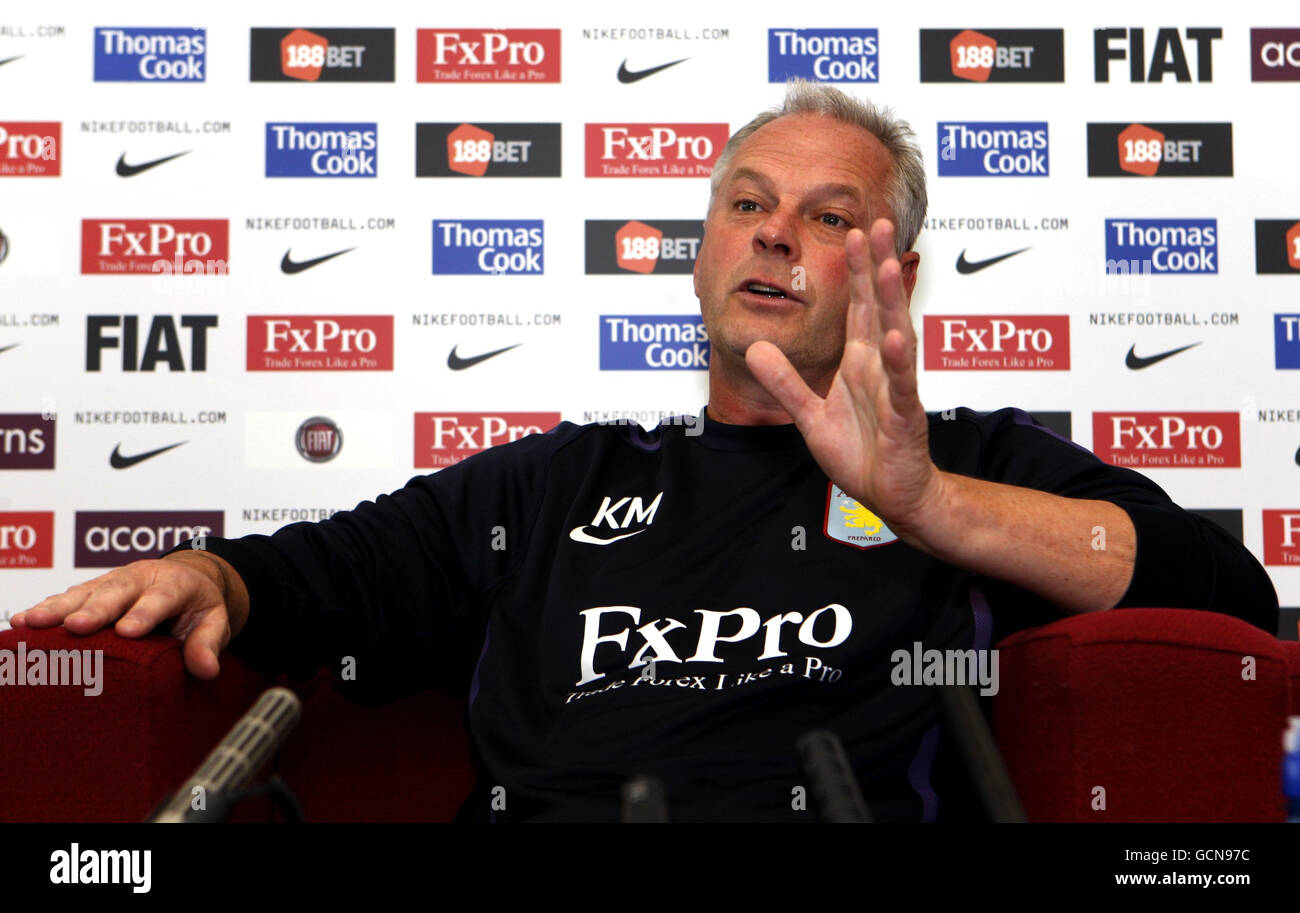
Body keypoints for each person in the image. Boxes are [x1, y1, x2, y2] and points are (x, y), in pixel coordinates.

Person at [12, 81, 1278, 821]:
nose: (774, 235)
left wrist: (930, 503)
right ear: (701, 248)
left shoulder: (978, 466)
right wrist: (217, 579)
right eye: (746, 204)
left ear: (889, 265)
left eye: (827, 215)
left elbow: (1223, 599)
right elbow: (327, 576)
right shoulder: (559, 481)